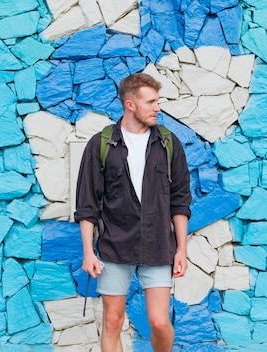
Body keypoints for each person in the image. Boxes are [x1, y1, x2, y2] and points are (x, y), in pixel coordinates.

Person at [74, 73, 192, 352]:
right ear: (130, 104)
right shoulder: (100, 144)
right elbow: (87, 203)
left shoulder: (168, 143)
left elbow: (180, 201)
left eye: (157, 101)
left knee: (160, 322)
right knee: (113, 320)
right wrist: (89, 252)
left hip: (159, 246)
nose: (157, 108)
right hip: (115, 246)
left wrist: (182, 249)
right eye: (150, 101)